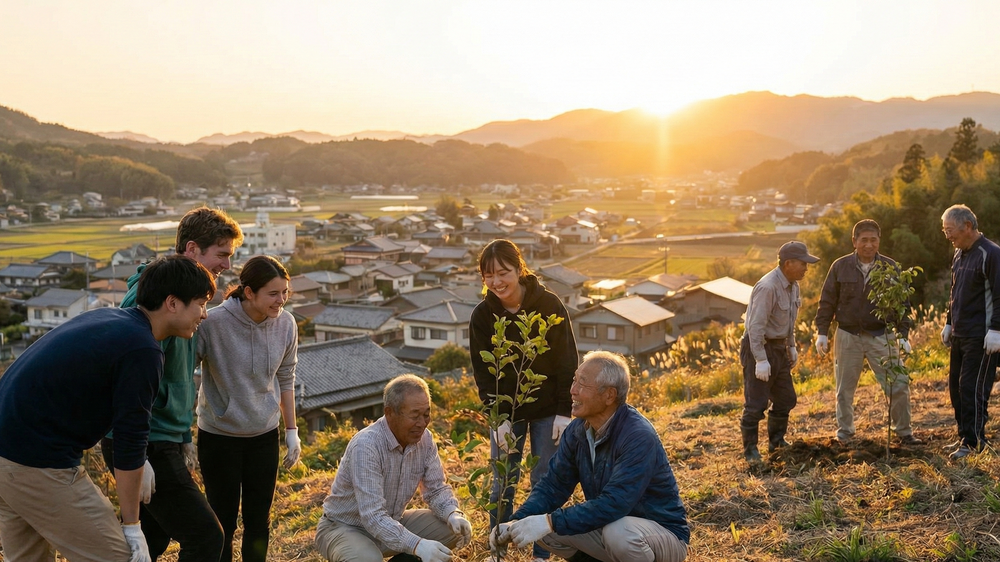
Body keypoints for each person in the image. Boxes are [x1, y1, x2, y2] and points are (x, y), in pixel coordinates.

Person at [0, 256, 215, 562]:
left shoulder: (110, 320)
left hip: (8, 451)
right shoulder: (142, 349)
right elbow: (130, 441)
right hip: (37, 461)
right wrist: (131, 527)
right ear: (172, 303)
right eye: (201, 303)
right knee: (117, 557)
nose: (205, 314)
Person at [101, 206, 242, 561]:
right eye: (221, 254)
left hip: (161, 437)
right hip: (143, 440)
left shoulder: (190, 297)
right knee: (206, 537)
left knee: (149, 541)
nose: (226, 265)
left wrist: (183, 438)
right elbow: (128, 380)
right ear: (192, 249)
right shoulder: (151, 301)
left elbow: (174, 376)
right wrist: (138, 454)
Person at [490, 351, 689, 562]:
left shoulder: (637, 435)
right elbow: (553, 485)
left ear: (609, 395)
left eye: (582, 385)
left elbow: (615, 503)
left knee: (618, 533)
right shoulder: (578, 431)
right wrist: (516, 522)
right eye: (574, 380)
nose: (572, 391)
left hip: (660, 535)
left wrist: (550, 521)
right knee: (542, 530)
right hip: (610, 526)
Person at [469, 239, 578, 562]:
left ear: (519, 269)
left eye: (503, 272)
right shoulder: (483, 316)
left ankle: (541, 555)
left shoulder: (549, 306)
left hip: (548, 410)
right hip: (507, 414)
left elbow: (566, 362)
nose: (496, 282)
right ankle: (498, 551)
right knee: (503, 481)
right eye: (488, 275)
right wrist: (497, 419)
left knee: (544, 480)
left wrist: (564, 411)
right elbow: (484, 374)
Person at [196, 254, 301, 562]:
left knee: (259, 519)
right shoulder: (213, 323)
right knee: (222, 522)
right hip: (219, 435)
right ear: (249, 292)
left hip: (263, 435)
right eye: (273, 293)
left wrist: (291, 430)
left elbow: (286, 377)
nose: (280, 300)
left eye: (285, 292)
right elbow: (185, 370)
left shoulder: (286, 324)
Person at [314, 374, 473, 562]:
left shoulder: (425, 440)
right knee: (368, 559)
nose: (422, 423)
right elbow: (373, 516)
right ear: (390, 413)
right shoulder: (367, 445)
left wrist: (453, 513)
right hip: (345, 526)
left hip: (391, 521)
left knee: (452, 530)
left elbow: (436, 489)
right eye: (415, 415)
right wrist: (418, 545)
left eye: (426, 414)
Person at [814, 219, 920, 445]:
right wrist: (821, 331)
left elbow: (903, 305)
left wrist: (902, 336)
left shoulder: (890, 268)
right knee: (844, 389)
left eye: (873, 240)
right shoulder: (839, 266)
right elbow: (827, 301)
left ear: (879, 241)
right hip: (848, 335)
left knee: (898, 384)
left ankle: (903, 432)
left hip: (881, 334)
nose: (869, 245)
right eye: (864, 240)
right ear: (854, 242)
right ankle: (845, 434)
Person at [740, 241, 819, 464]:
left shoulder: (793, 285)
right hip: (759, 346)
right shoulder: (768, 287)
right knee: (756, 403)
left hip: (778, 346)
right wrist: (761, 360)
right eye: (803, 263)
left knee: (786, 398)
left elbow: (789, 320)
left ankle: (776, 442)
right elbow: (755, 327)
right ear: (788, 263)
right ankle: (751, 451)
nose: (806, 268)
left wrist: (791, 346)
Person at [940, 204, 1000, 460]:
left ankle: (974, 442)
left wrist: (996, 330)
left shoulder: (991, 254)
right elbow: (955, 292)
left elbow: (999, 296)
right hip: (961, 334)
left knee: (972, 388)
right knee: (956, 388)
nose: (947, 236)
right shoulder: (959, 255)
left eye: (950, 230)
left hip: (982, 336)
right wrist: (948, 322)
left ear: (967, 226)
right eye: (944, 231)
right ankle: (964, 436)